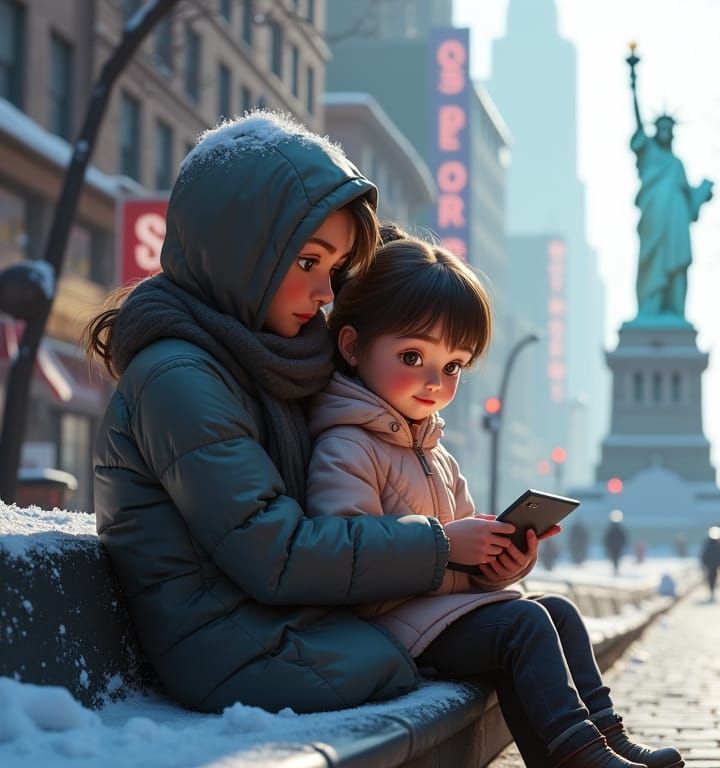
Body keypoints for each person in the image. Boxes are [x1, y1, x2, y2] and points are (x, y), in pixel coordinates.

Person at [88, 111, 449, 715]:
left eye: (334, 271)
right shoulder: (180, 378)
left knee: (500, 631)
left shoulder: (270, 359)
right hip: (227, 646)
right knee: (441, 652)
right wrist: (439, 548)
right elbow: (276, 555)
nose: (327, 293)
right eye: (307, 262)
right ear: (239, 252)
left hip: (279, 624)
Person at [305, 234, 684, 768]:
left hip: (434, 618)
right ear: (352, 346)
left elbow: (464, 562)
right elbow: (345, 556)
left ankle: (606, 739)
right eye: (412, 356)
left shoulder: (435, 454)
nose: (435, 381)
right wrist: (445, 546)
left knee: (557, 611)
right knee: (523, 626)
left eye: (454, 366)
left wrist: (500, 563)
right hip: (389, 629)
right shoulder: (345, 444)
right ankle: (578, 756)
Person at [626, 45, 713, 322]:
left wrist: (702, 193)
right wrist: (633, 85)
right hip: (654, 217)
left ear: (672, 132)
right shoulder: (649, 153)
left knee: (676, 266)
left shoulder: (677, 165)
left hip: (675, 221)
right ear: (656, 131)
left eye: (668, 128)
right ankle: (650, 309)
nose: (664, 132)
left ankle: (674, 311)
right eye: (660, 128)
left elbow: (690, 206)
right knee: (651, 262)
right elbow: (637, 125)